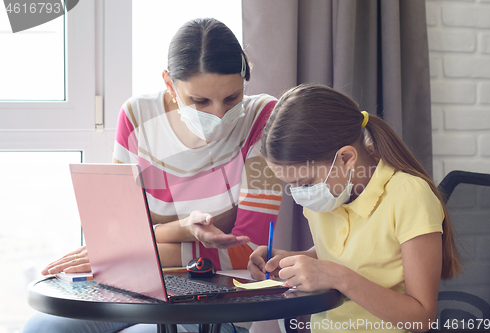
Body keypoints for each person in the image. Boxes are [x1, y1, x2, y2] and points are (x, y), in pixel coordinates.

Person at [22, 18, 282, 333]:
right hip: (132, 285)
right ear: (170, 85)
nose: (219, 115)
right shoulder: (137, 116)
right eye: (200, 101)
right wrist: (177, 232)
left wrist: (126, 252)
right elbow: (115, 235)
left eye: (232, 98)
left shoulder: (265, 118)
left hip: (215, 302)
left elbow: (246, 251)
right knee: (43, 328)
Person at [248, 84, 461, 332]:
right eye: (291, 185)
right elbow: (344, 252)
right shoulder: (329, 194)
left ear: (347, 158)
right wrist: (290, 261)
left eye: (304, 183)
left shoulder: (409, 196)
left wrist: (339, 278)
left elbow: (421, 318)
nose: (299, 194)